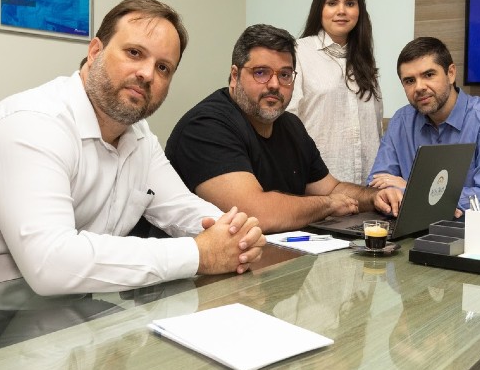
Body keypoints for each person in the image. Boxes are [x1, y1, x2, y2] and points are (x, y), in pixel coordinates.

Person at [0, 0, 265, 304]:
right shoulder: (33, 123)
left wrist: (234, 233)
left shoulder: (137, 137)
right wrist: (198, 254)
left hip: (41, 317)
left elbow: (183, 208)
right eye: (134, 52)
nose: (148, 74)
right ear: (94, 52)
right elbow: (52, 263)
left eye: (164, 67)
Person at [165, 24, 402, 234]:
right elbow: (258, 214)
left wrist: (374, 198)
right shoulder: (206, 126)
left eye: (285, 75)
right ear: (235, 76)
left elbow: (333, 188)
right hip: (200, 278)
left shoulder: (290, 126)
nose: (275, 85)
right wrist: (328, 204)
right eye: (261, 73)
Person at [368, 37, 480, 217]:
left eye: (429, 75)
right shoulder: (401, 120)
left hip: (477, 235)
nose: (419, 87)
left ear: (451, 74)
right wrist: (389, 194)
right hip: (414, 230)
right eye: (409, 81)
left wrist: (412, 190)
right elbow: (376, 183)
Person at [288, 0, 383, 184]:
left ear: (359, 11)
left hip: (367, 190)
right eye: (332, 3)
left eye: (350, 3)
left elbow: (376, 130)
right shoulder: (298, 53)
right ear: (319, 9)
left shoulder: (365, 60)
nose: (341, 11)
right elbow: (288, 125)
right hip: (319, 187)